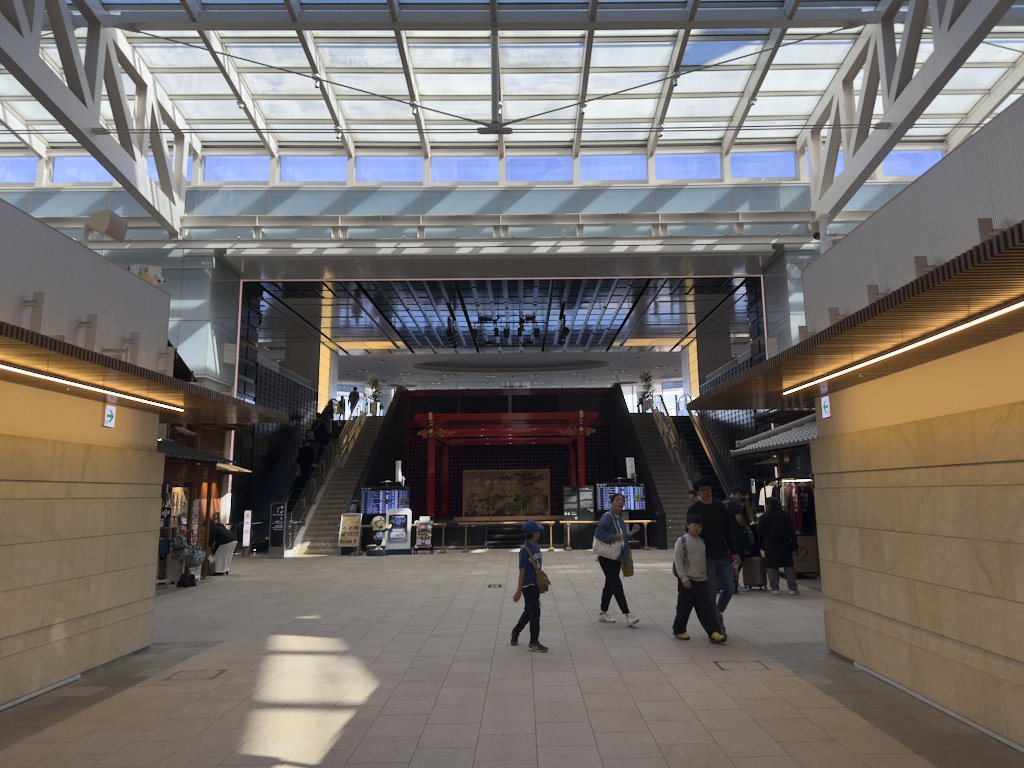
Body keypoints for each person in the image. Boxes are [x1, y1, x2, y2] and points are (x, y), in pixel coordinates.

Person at [687, 477, 739, 638]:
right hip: (705, 555)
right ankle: (714, 626)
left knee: (729, 587)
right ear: (697, 492)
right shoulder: (694, 508)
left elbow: (727, 529)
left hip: (722, 553)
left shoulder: (720, 506)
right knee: (710, 589)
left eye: (708, 489)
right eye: (702, 490)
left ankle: (718, 611)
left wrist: (734, 551)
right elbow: (689, 532)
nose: (706, 492)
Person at [673, 514, 728, 644]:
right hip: (687, 581)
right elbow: (678, 561)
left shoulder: (702, 542)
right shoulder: (682, 541)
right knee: (684, 608)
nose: (697, 528)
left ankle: (713, 632)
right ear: (688, 525)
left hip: (701, 581)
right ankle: (679, 629)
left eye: (700, 526)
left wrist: (706, 578)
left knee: (706, 609)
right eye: (695, 525)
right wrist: (684, 578)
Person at [594, 493, 641, 626]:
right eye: (617, 500)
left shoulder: (620, 519)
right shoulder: (607, 517)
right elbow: (599, 533)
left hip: (616, 556)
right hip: (606, 557)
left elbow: (622, 538)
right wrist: (613, 537)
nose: (620, 503)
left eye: (622, 500)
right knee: (616, 585)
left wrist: (632, 533)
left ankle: (603, 613)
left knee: (609, 585)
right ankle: (627, 615)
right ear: (611, 503)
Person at [512, 520, 548, 652]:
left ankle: (516, 631)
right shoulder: (524, 550)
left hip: (536, 584)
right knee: (535, 613)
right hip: (528, 586)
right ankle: (533, 642)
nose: (539, 533)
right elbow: (522, 571)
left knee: (529, 612)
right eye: (538, 531)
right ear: (534, 533)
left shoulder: (536, 546)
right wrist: (519, 590)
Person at [760, 497, 800, 595]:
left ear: (768, 505)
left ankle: (775, 588)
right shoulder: (785, 515)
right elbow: (792, 531)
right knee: (789, 566)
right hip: (785, 544)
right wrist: (795, 545)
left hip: (770, 545)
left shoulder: (764, 517)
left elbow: (760, 531)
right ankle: (792, 588)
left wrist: (763, 546)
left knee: (772, 567)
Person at [727, 486, 753, 592]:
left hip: (726, 536)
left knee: (728, 560)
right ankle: (735, 583)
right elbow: (739, 519)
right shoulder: (735, 503)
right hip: (737, 536)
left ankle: (729, 583)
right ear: (738, 493)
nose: (741, 499)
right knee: (738, 560)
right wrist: (746, 528)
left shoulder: (723, 502)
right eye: (741, 496)